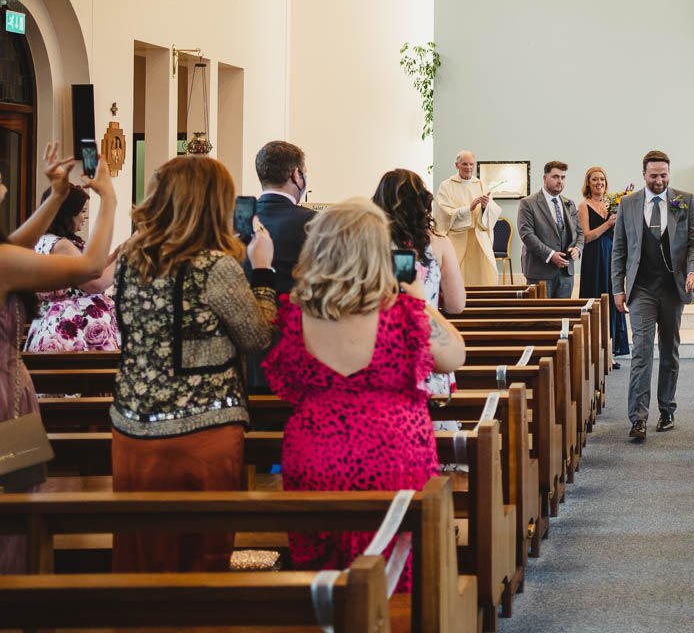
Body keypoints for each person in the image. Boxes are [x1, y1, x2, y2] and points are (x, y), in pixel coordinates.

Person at [263, 199, 465, 582]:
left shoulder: (293, 314)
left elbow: (286, 380)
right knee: (395, 574)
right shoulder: (403, 313)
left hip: (316, 455)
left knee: (324, 577)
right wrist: (419, 298)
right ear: (379, 252)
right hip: (391, 454)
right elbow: (455, 355)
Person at [111, 155, 276, 571]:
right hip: (200, 432)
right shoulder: (214, 266)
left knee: (140, 549)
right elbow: (256, 335)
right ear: (210, 203)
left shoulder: (131, 258)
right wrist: (264, 272)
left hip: (133, 423)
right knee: (200, 554)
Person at [1, 144, 118, 574]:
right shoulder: (3, 262)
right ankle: (18, 600)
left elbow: (17, 245)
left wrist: (54, 196)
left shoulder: (7, 254)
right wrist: (109, 197)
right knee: (17, 510)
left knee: (19, 502)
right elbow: (90, 269)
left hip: (14, 392)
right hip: (7, 405)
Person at [610, 150, 694, 442]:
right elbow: (620, 249)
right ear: (644, 175)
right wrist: (617, 287)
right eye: (654, 176)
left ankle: (667, 410)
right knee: (641, 353)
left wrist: (693, 270)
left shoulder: (684, 200)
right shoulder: (628, 204)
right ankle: (638, 418)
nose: (660, 180)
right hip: (641, 289)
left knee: (669, 350)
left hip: (672, 288)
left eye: (664, 175)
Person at [373, 169, 466, 413]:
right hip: (425, 343)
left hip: (376, 350)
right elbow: (457, 305)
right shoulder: (439, 242)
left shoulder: (367, 241)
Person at [24, 184, 119, 352]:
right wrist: (124, 259)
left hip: (55, 321)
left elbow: (91, 269)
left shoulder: (48, 240)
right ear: (66, 214)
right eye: (82, 211)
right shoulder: (62, 245)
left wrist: (116, 254)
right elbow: (93, 283)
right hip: (71, 330)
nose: (85, 217)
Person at [250, 140, 315, 297]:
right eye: (304, 173)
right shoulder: (313, 222)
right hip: (293, 315)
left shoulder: (238, 219)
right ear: (296, 175)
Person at [577, 166, 625, 364]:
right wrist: (608, 224)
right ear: (588, 183)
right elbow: (586, 237)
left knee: (613, 300)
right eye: (595, 180)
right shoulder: (583, 205)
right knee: (596, 299)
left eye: (602, 180)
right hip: (594, 258)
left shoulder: (611, 203)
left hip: (611, 256)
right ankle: (595, 352)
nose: (599, 183)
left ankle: (612, 352)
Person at [433, 150, 500, 286]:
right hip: (457, 240)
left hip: (478, 240)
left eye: (471, 164)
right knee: (456, 279)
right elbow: (444, 213)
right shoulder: (446, 186)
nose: (468, 168)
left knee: (482, 279)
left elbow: (492, 212)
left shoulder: (481, 184)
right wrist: (468, 209)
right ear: (456, 165)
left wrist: (484, 207)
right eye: (464, 164)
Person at [518, 161, 581, 298]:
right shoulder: (528, 203)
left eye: (563, 177)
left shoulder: (569, 203)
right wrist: (550, 255)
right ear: (545, 178)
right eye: (555, 177)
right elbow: (527, 234)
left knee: (563, 317)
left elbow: (579, 233)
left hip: (565, 273)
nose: (560, 181)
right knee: (540, 318)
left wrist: (577, 249)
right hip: (539, 271)